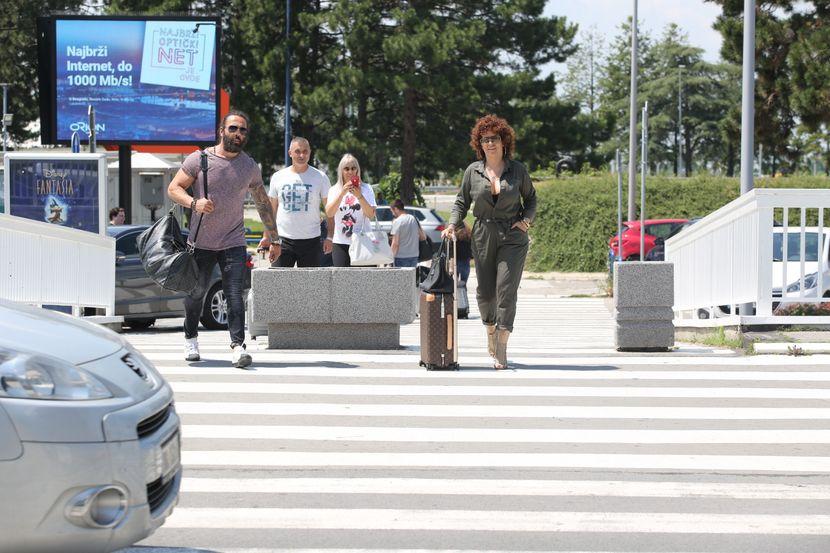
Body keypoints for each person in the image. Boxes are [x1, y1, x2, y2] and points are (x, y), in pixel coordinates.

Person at [167, 109, 279, 368]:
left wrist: (274, 238)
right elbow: (173, 188)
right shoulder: (200, 159)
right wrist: (194, 203)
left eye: (242, 130)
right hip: (201, 243)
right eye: (233, 128)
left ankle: (238, 346)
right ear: (221, 131)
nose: (238, 134)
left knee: (234, 295)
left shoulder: (249, 166)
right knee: (196, 294)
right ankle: (191, 338)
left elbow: (262, 203)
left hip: (234, 242)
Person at [442, 114, 536, 369]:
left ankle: (503, 345)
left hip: (513, 234)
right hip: (482, 233)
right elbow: (462, 201)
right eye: (484, 140)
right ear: (479, 143)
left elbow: (531, 199)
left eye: (494, 138)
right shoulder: (473, 171)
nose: (489, 143)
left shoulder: (518, 170)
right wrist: (452, 223)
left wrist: (526, 221)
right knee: (485, 292)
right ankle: (491, 331)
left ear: (504, 141)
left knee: (506, 289)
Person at [260, 137, 333, 267]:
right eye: (297, 151)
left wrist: (330, 237)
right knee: (279, 284)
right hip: (282, 240)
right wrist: (267, 237)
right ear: (290, 153)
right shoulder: (278, 177)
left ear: (310, 153)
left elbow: (330, 210)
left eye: (305, 151)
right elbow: (271, 210)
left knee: (309, 286)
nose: (301, 155)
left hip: (311, 241)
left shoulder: (321, 177)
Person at [325, 153, 377, 267]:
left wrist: (359, 196)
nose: (350, 172)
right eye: (346, 168)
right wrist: (342, 193)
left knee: (365, 281)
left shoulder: (366, 188)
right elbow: (329, 213)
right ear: (341, 171)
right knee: (342, 281)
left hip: (364, 242)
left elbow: (371, 215)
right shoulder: (334, 190)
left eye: (353, 168)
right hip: (341, 243)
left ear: (358, 170)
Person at [390, 199, 425, 268]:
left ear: (396, 209)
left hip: (401, 257)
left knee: (401, 278)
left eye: (392, 211)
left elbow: (395, 243)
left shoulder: (397, 222)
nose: (392, 213)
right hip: (414, 255)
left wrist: (390, 257)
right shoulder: (414, 218)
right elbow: (423, 237)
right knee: (411, 278)